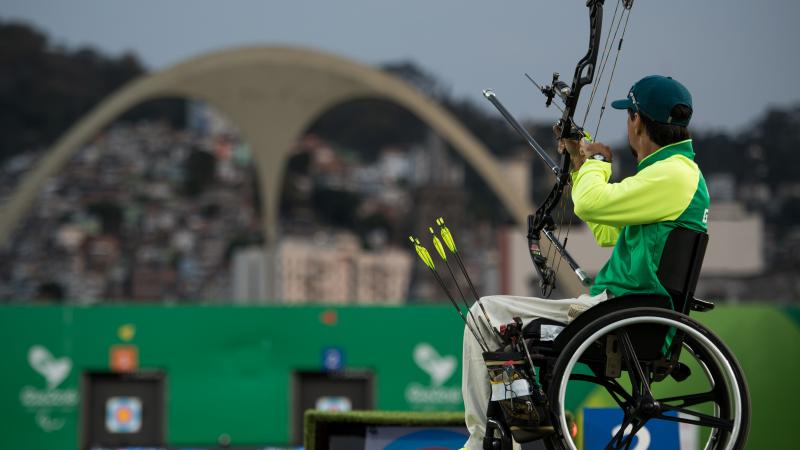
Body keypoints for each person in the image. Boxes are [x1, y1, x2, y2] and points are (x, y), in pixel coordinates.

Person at [461, 75, 710, 449]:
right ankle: (503, 435)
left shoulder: (673, 173)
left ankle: (482, 443)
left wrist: (594, 161)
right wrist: (582, 167)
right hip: (622, 309)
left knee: (484, 314)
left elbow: (590, 203)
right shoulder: (671, 172)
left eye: (629, 116)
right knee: (492, 319)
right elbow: (607, 231)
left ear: (637, 121)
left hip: (620, 312)